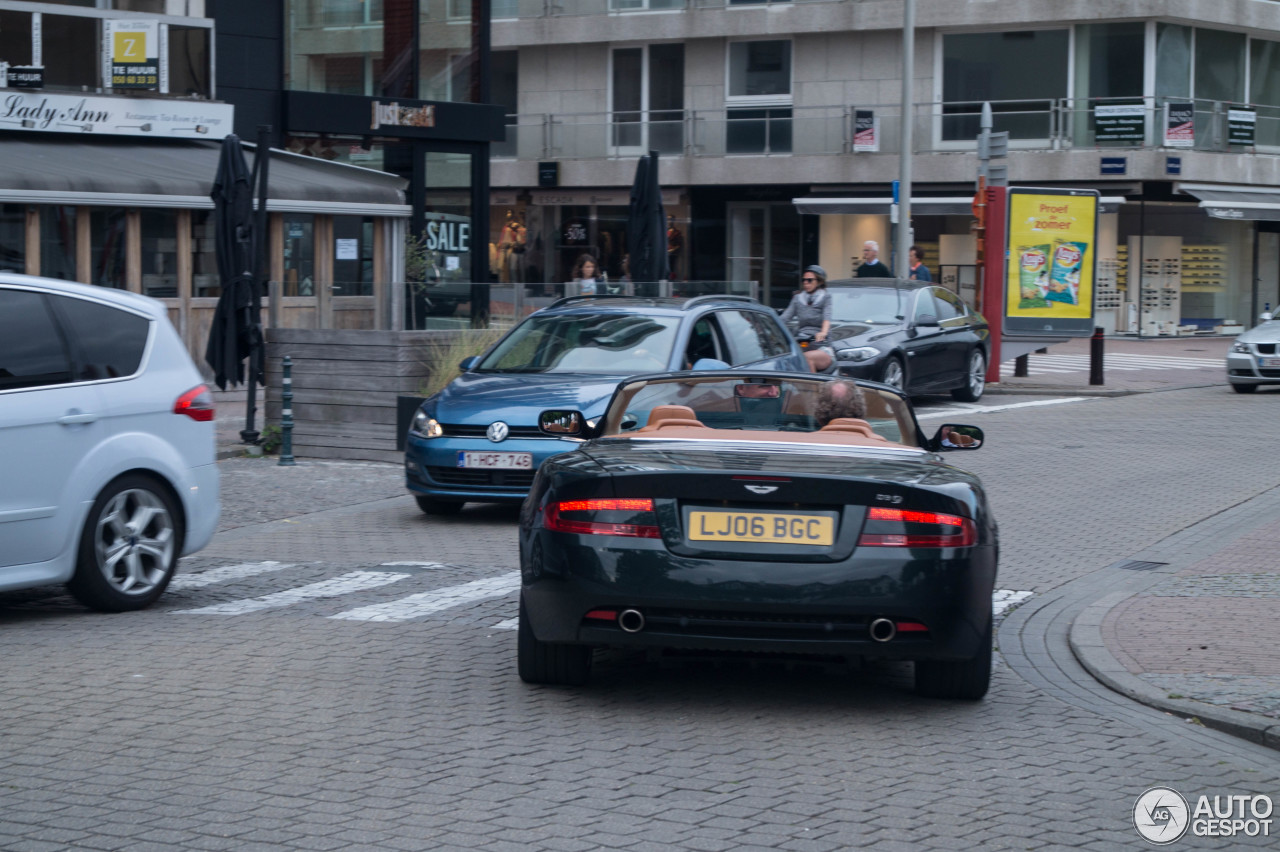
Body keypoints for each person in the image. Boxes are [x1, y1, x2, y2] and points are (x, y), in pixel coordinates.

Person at [779, 265, 833, 372]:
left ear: (819, 282)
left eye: (809, 280)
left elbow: (827, 318)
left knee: (806, 358)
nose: (805, 283)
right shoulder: (798, 298)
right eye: (804, 280)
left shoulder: (826, 297)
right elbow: (785, 318)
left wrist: (823, 332)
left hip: (821, 344)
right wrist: (771, 327)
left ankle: (812, 388)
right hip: (802, 341)